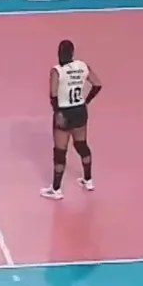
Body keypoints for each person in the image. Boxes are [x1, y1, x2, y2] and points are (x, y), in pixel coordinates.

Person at [43, 39, 101, 200]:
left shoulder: (57, 71)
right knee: (81, 145)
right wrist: (86, 101)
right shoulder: (82, 66)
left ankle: (56, 189)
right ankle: (88, 180)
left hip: (64, 112)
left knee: (60, 152)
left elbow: (53, 95)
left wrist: (58, 113)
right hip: (80, 111)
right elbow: (97, 85)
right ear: (72, 53)